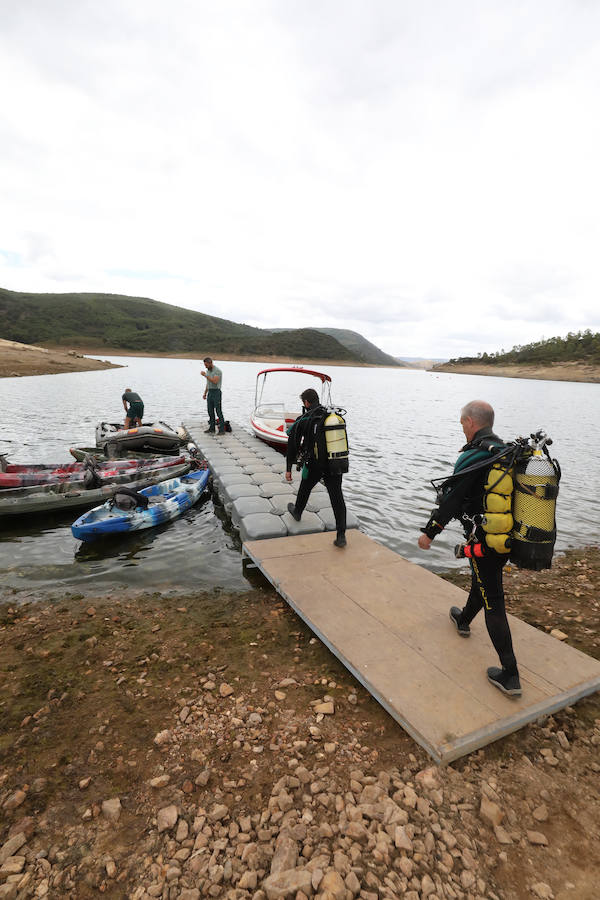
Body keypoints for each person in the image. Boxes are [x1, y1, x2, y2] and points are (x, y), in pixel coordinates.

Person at [417, 400, 521, 697]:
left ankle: (510, 675)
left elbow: (451, 499)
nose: (462, 428)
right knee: (484, 583)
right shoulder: (505, 452)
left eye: (462, 423)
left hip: (483, 541)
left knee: (494, 602)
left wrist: (430, 533)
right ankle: (463, 620)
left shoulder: (475, 456)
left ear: (471, 423)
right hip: (505, 537)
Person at [285, 388, 347, 548]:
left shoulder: (306, 418)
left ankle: (297, 512)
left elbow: (292, 444)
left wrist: (288, 468)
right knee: (337, 497)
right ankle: (341, 536)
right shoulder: (331, 417)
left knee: (305, 486)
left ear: (306, 402)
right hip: (334, 463)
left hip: (315, 464)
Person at [201, 357, 225, 435]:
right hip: (210, 392)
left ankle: (222, 430)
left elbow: (215, 381)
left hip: (216, 392)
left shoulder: (217, 371)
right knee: (210, 411)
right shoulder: (208, 371)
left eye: (206, 365)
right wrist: (205, 393)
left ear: (210, 363)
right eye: (205, 365)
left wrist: (205, 376)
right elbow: (208, 383)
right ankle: (212, 428)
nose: (205, 366)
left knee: (218, 411)